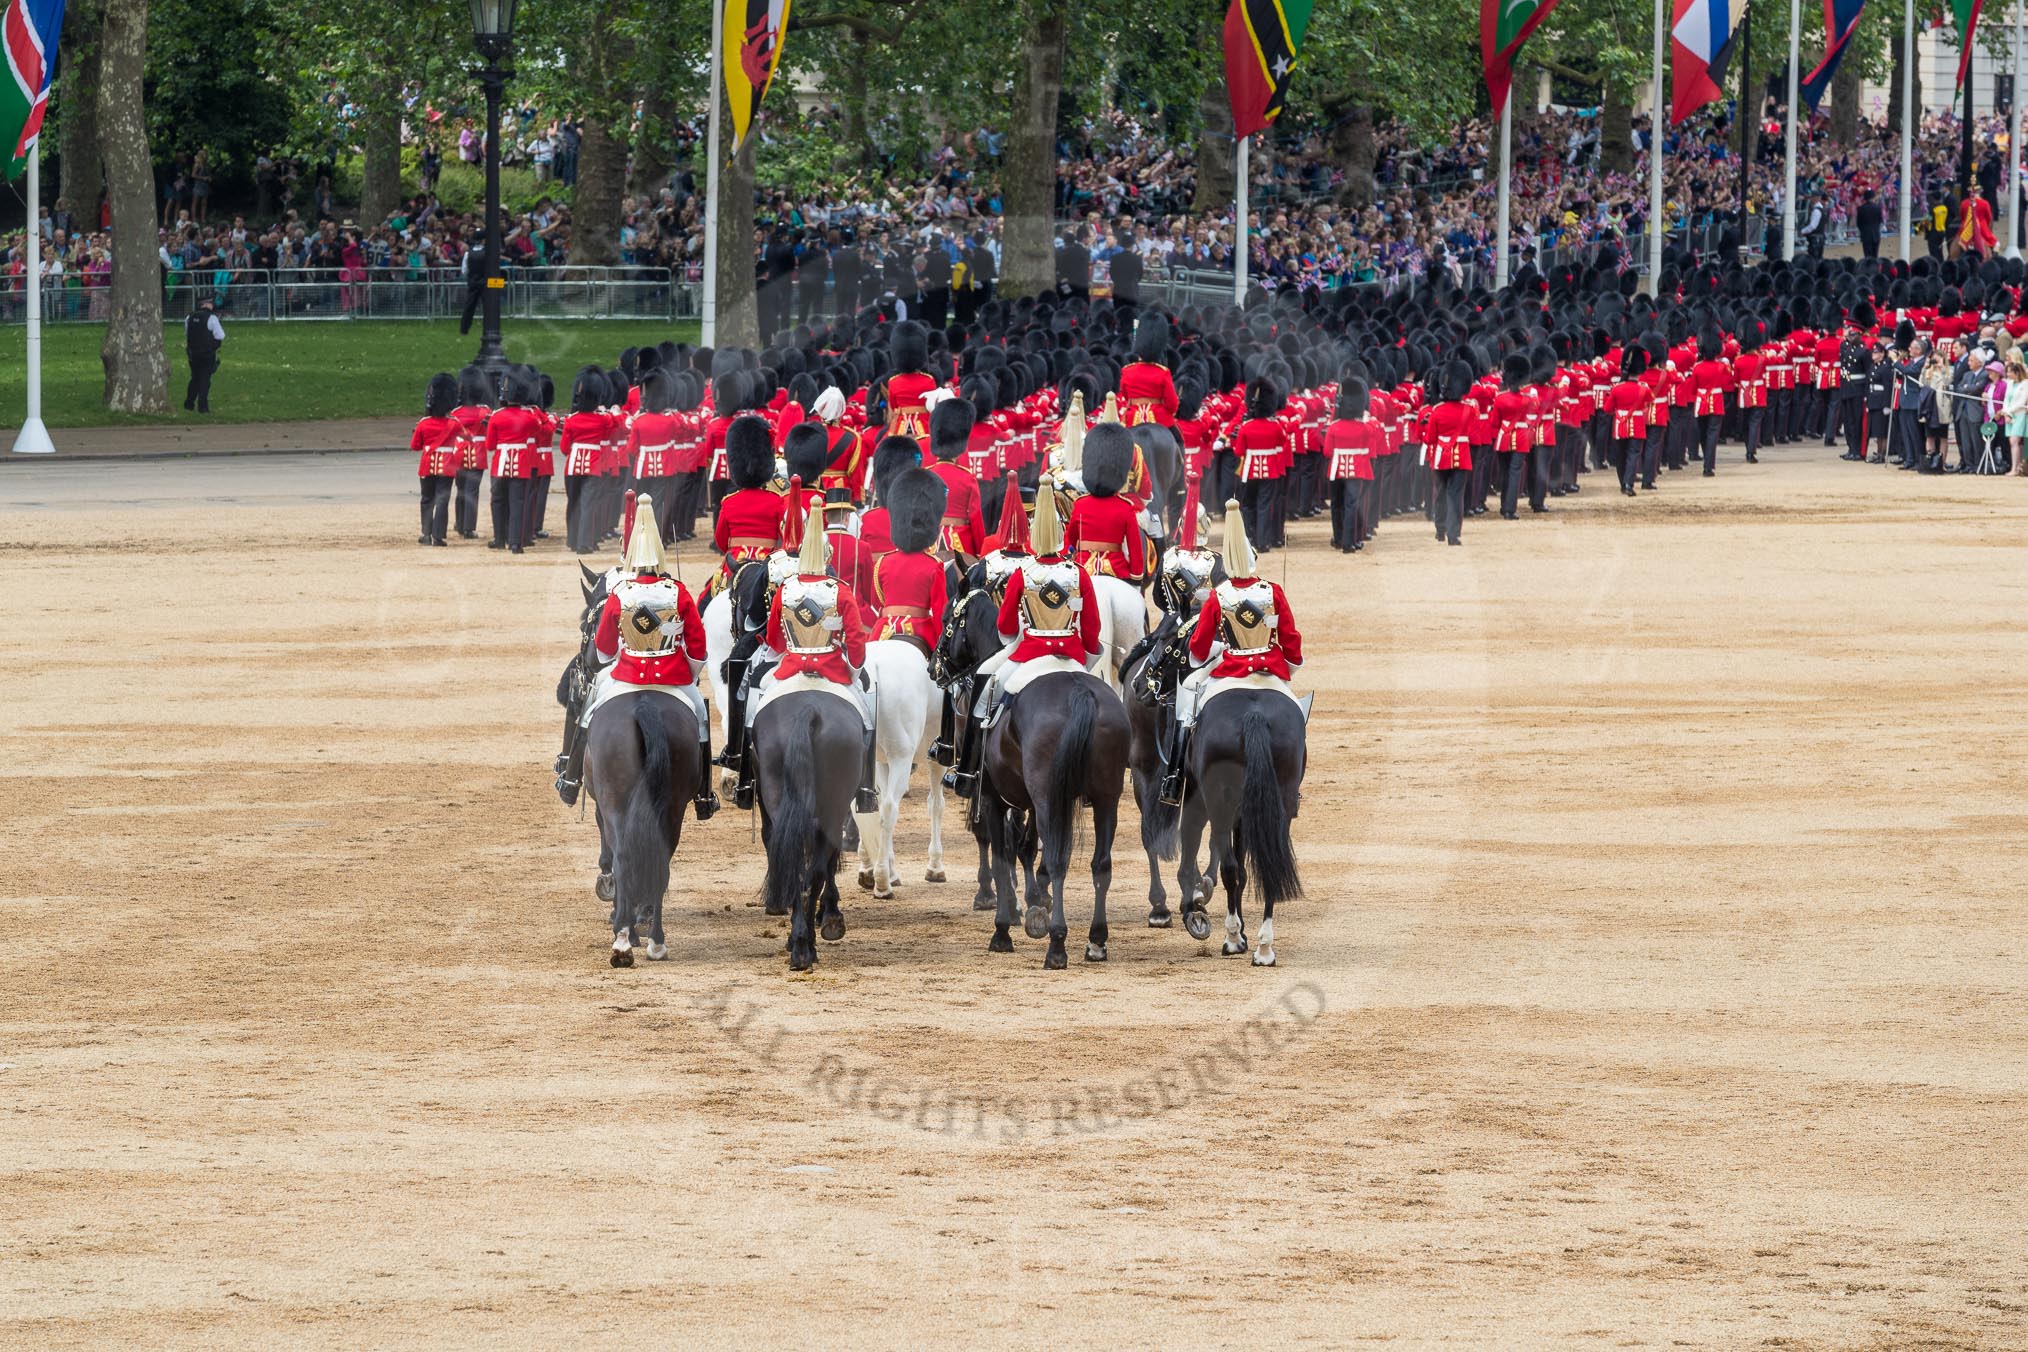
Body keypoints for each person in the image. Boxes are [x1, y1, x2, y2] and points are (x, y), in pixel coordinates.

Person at [557, 495, 718, 819]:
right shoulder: (678, 591)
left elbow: (602, 649)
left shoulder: (619, 593)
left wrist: (621, 657)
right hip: (674, 678)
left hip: (625, 673)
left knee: (588, 707)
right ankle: (702, 795)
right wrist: (688, 672)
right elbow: (698, 647)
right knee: (699, 714)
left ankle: (572, 778)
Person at [944, 477, 1098, 799]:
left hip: (1027, 652)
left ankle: (969, 770)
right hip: (1071, 654)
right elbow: (1093, 628)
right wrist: (1086, 657)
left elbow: (1005, 624)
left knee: (984, 689)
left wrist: (1013, 640)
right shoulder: (1078, 572)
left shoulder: (1022, 573)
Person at [1161, 497, 1303, 805]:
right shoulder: (1272, 591)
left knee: (1187, 703)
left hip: (1229, 668)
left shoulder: (1218, 595)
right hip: (1271, 668)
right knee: (1297, 717)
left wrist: (1210, 655)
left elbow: (1198, 648)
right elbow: (1290, 641)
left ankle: (1174, 778)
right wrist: (1287, 668)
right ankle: (1293, 784)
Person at [757, 504, 878, 813]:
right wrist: (852, 671)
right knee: (867, 712)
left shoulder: (784, 590)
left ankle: (747, 774)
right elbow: (856, 642)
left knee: (753, 708)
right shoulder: (840, 590)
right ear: (827, 557)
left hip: (790, 669)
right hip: (833, 671)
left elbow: (773, 640)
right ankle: (865, 786)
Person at [870, 467, 949, 653]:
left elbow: (877, 602)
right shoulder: (933, 565)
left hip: (883, 629)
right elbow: (939, 613)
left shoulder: (883, 562)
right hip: (922, 631)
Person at [1064, 421, 1147, 581]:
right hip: (1116, 569)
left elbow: (1071, 539)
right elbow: (1135, 549)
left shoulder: (1080, 504)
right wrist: (1136, 577)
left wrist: (1069, 561)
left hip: (1083, 569)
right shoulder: (1125, 507)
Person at [484, 370, 545, 554]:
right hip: (521, 462)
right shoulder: (529, 417)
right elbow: (536, 432)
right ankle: (515, 543)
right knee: (518, 502)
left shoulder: (496, 416)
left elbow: (490, 445)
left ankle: (499, 538)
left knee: (498, 501)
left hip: (501, 462)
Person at [410, 372, 461, 547]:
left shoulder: (423, 423)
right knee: (442, 501)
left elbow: (415, 446)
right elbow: (467, 437)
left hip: (427, 465)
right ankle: (438, 536)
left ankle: (426, 534)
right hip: (447, 465)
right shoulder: (454, 423)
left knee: (426, 499)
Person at [183, 296, 224, 413]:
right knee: (205, 380)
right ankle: (203, 407)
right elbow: (220, 336)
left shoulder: (189, 317)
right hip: (207, 354)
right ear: (206, 304)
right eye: (211, 303)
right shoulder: (212, 318)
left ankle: (189, 404)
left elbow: (187, 333)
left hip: (192, 354)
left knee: (195, 378)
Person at [1856, 189, 1884, 259]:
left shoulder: (1861, 209)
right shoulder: (1877, 208)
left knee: (1867, 256)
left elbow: (1859, 223)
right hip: (1876, 234)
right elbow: (1880, 220)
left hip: (1866, 235)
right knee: (1875, 255)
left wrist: (1863, 231)